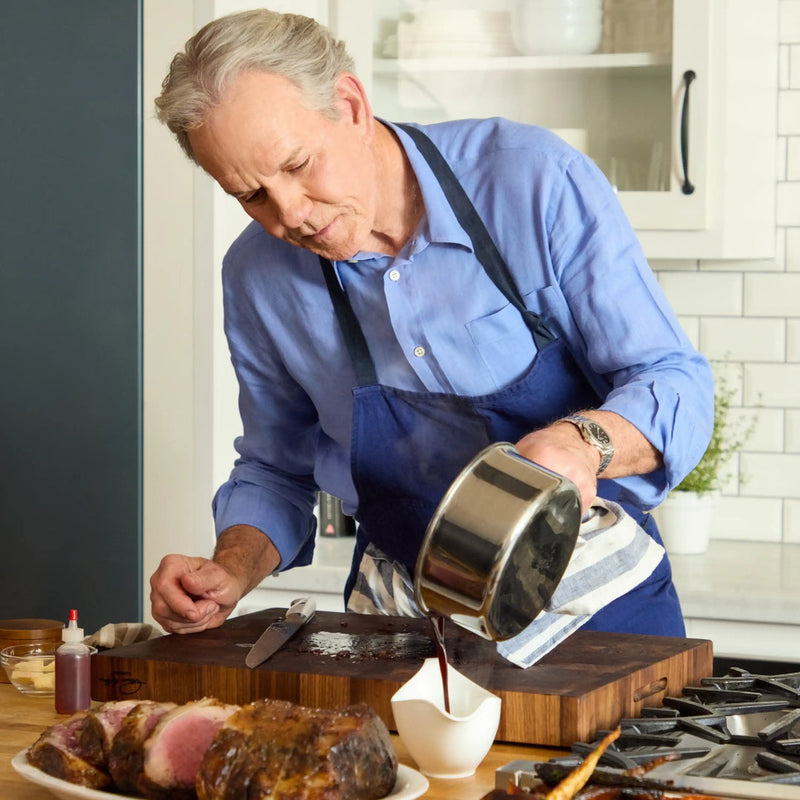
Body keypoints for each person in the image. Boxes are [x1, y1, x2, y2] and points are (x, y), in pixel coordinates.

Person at [149, 9, 714, 641]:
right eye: (250, 195)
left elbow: (675, 383)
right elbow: (277, 469)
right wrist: (229, 569)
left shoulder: (531, 182)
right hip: (406, 632)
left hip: (601, 614)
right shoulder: (257, 277)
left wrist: (580, 445)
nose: (290, 215)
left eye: (298, 164)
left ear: (351, 105)